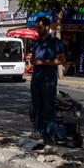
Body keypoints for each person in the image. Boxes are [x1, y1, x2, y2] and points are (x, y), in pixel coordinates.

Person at [30, 16, 66, 145]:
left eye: (39, 27)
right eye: (36, 27)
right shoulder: (37, 42)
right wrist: (32, 61)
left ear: (47, 27)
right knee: (37, 107)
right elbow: (34, 58)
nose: (37, 30)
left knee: (49, 107)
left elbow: (61, 60)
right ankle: (38, 132)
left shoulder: (55, 42)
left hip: (48, 79)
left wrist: (43, 62)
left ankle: (50, 133)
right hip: (36, 78)